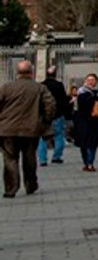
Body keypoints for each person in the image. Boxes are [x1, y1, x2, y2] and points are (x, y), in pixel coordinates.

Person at [0, 60, 57, 198]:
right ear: (32, 72)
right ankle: (30, 184)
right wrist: (45, 121)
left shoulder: (6, 88)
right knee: (29, 158)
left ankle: (10, 188)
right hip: (31, 129)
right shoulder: (39, 88)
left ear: (17, 72)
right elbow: (50, 105)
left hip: (7, 129)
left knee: (10, 159)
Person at [37, 65, 72, 166]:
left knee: (42, 138)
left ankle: (43, 160)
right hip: (58, 114)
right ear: (55, 75)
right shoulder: (59, 85)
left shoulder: (41, 86)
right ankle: (56, 157)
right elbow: (64, 100)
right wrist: (67, 114)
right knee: (59, 135)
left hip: (43, 115)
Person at [73, 74, 98, 171]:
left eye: (93, 80)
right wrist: (95, 98)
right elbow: (82, 104)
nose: (91, 82)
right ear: (85, 81)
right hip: (84, 122)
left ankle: (90, 162)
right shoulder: (81, 92)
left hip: (95, 122)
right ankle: (87, 162)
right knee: (84, 143)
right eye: (89, 80)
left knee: (93, 143)